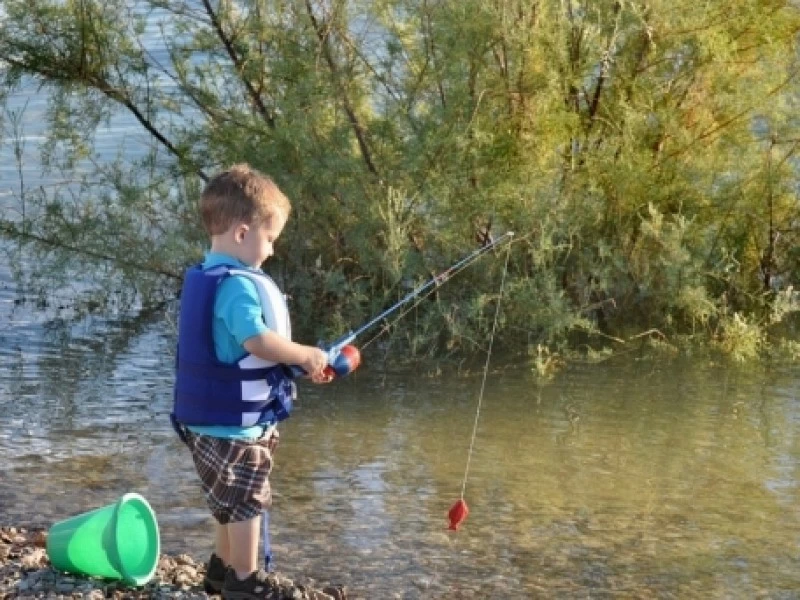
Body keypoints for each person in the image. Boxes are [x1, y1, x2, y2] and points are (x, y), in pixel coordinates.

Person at [171, 164, 335, 599]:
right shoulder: (238, 288)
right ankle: (246, 581)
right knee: (246, 504)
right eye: (271, 238)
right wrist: (303, 354)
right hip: (235, 428)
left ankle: (222, 571)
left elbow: (236, 352)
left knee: (225, 505)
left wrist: (298, 367)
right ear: (243, 233)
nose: (273, 250)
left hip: (208, 424)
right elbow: (257, 341)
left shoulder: (207, 276)